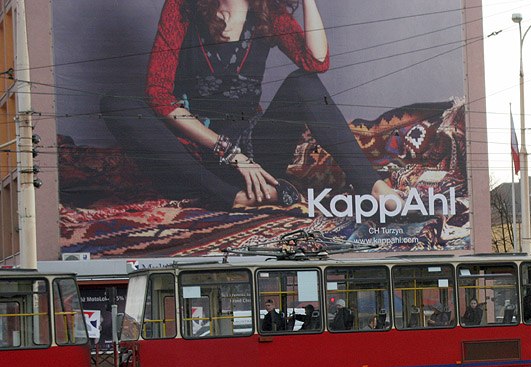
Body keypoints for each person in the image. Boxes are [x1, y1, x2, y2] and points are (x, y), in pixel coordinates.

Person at [100, 0, 399, 210]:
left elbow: (316, 61)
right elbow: (158, 95)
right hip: (193, 156)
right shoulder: (182, 7)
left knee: (303, 83)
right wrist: (227, 152)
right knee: (115, 104)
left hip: (256, 156)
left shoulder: (267, 11)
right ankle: (233, 197)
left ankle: (370, 185)